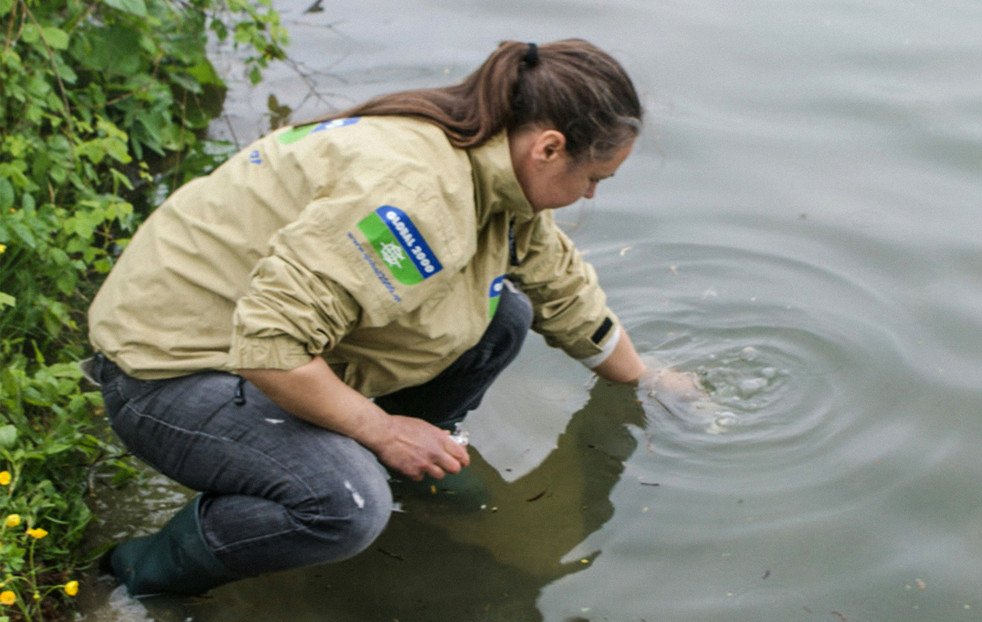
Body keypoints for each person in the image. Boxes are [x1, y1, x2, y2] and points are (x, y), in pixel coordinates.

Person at [86, 38, 671, 598]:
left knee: (504, 315)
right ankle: (139, 573)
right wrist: (383, 431)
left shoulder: (486, 160)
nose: (592, 195)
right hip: (168, 367)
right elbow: (270, 343)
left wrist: (649, 380)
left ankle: (398, 462)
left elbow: (563, 293)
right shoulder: (416, 199)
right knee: (347, 506)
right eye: (594, 178)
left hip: (252, 335)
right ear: (548, 147)